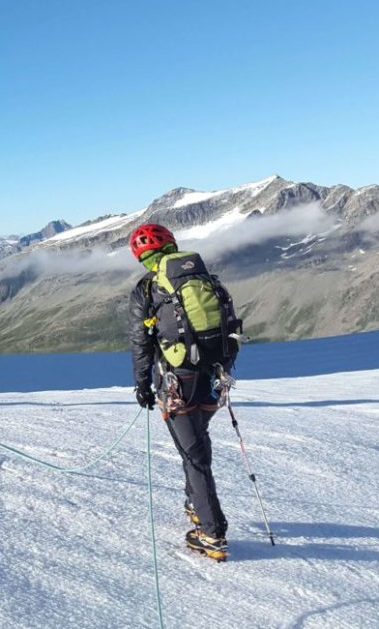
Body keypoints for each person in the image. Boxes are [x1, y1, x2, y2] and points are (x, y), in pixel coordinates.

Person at [128, 223, 239, 562]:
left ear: (140, 255)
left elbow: (140, 342)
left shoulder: (148, 288)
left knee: (194, 456)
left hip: (178, 380)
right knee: (197, 441)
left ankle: (212, 533)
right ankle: (195, 504)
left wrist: (143, 384)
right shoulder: (205, 277)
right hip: (214, 375)